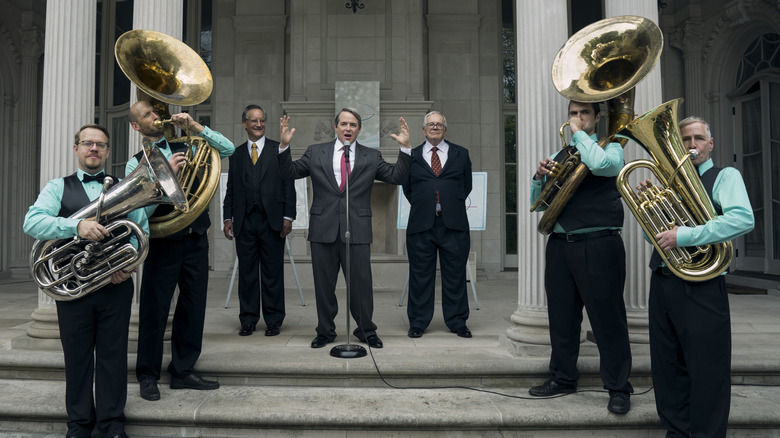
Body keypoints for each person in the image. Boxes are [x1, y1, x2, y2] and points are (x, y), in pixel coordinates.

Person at [23, 124, 148, 438]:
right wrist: (76, 227)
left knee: (113, 356)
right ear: (76, 148)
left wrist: (129, 261)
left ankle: (112, 423)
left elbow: (141, 230)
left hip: (116, 285)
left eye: (101, 145)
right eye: (88, 143)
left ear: (107, 151)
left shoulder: (127, 186)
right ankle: (79, 424)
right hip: (73, 289)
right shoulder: (57, 187)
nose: (94, 149)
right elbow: (32, 221)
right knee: (77, 357)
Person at [639, 116, 753, 437]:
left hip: (702, 284)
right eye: (686, 139)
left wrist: (683, 235)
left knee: (708, 370)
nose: (692, 145)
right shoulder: (670, 182)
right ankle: (676, 431)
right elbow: (654, 238)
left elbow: (742, 219)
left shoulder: (724, 176)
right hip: (663, 281)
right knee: (667, 366)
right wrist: (653, 213)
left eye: (698, 139)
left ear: (710, 143)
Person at [529, 101, 633, 415]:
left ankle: (618, 387)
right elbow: (539, 203)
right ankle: (563, 377)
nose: (577, 119)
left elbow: (601, 166)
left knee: (607, 321)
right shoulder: (562, 155)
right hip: (561, 245)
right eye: (573, 113)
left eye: (584, 113)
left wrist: (580, 136)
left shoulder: (612, 148)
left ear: (598, 117)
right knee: (562, 318)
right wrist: (539, 176)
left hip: (599, 244)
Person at [126, 100, 235, 401]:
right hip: (162, 243)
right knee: (154, 309)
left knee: (193, 307)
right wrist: (163, 181)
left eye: (155, 112)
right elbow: (136, 212)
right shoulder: (136, 161)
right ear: (137, 126)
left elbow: (228, 150)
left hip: (195, 238)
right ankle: (147, 374)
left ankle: (183, 370)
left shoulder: (190, 145)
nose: (155, 117)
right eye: (147, 115)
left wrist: (196, 127)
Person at [277, 108, 411, 349]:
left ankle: (366, 330)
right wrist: (284, 147)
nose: (348, 128)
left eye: (353, 125)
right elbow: (289, 172)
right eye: (344, 124)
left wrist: (405, 149)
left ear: (359, 129)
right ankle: (325, 331)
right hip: (323, 228)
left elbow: (397, 177)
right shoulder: (315, 152)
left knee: (361, 284)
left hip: (357, 229)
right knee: (324, 285)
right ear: (336, 127)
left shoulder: (371, 156)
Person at [223, 104, 296, 337]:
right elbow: (231, 188)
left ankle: (274, 320)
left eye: (262, 120)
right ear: (244, 124)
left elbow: (289, 184)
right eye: (254, 121)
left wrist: (288, 216)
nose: (258, 124)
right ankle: (248, 320)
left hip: (273, 221)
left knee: (272, 272)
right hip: (244, 221)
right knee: (247, 274)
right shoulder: (236, 154)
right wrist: (227, 217)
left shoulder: (279, 149)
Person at [403, 111, 473, 339]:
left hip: (453, 223)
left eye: (439, 125)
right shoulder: (411, 156)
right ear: (423, 130)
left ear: (445, 129)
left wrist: (448, 202)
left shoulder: (461, 154)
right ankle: (418, 322)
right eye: (430, 125)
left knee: (455, 275)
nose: (434, 128)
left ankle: (457, 322)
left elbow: (466, 186)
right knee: (420, 275)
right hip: (421, 224)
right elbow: (408, 189)